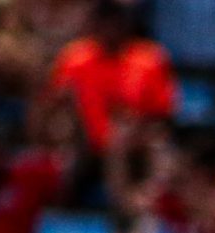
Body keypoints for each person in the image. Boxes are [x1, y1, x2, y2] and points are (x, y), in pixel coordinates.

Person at [49, 0, 180, 156]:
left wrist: (137, 127)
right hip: (83, 141)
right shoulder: (76, 58)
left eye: (114, 25)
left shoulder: (150, 58)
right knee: (61, 127)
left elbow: (164, 112)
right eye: (104, 25)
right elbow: (56, 102)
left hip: (135, 141)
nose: (109, 31)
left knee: (147, 142)